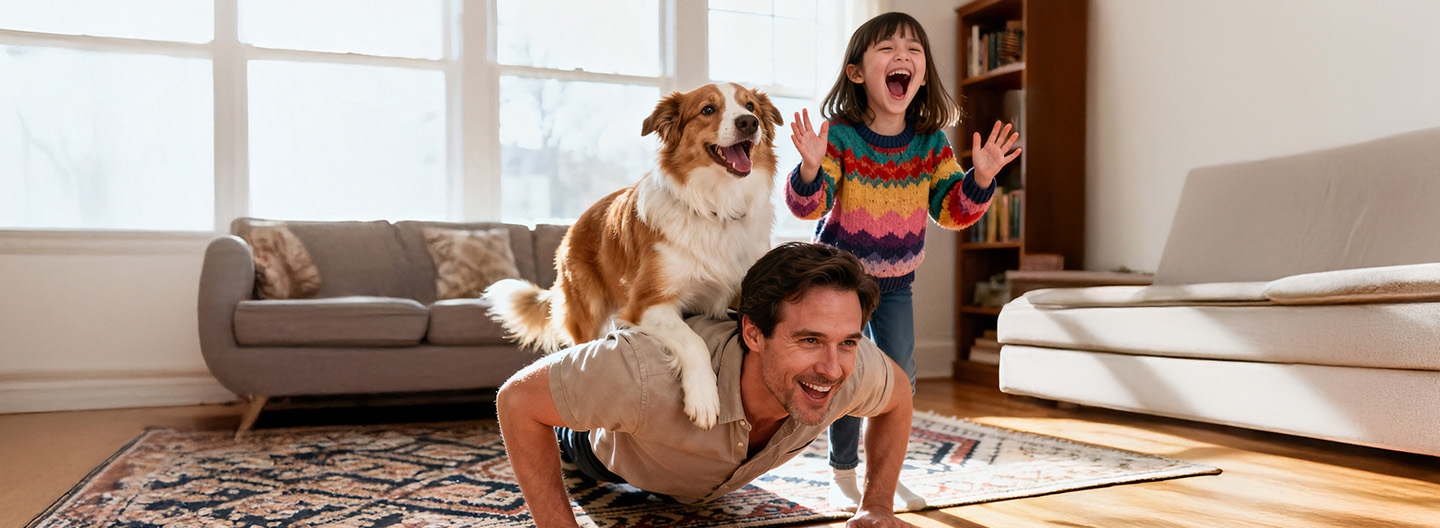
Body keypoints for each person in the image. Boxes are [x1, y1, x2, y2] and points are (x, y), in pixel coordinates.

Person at [497, 242, 919, 528]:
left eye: (846, 341)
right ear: (753, 333)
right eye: (808, 340)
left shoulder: (848, 361)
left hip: (703, 479)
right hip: (610, 455)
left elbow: (897, 398)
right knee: (574, 428)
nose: (831, 368)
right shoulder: (645, 371)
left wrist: (876, 505)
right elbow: (518, 400)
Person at [787, 12, 1021, 512]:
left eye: (913, 50)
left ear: (923, 72)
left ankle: (886, 478)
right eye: (888, 49)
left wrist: (978, 179)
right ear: (857, 72)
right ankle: (842, 472)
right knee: (846, 375)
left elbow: (951, 212)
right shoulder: (843, 137)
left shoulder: (930, 143)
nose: (903, 58)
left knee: (900, 380)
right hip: (841, 288)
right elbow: (809, 204)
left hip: (896, 285)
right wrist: (809, 168)